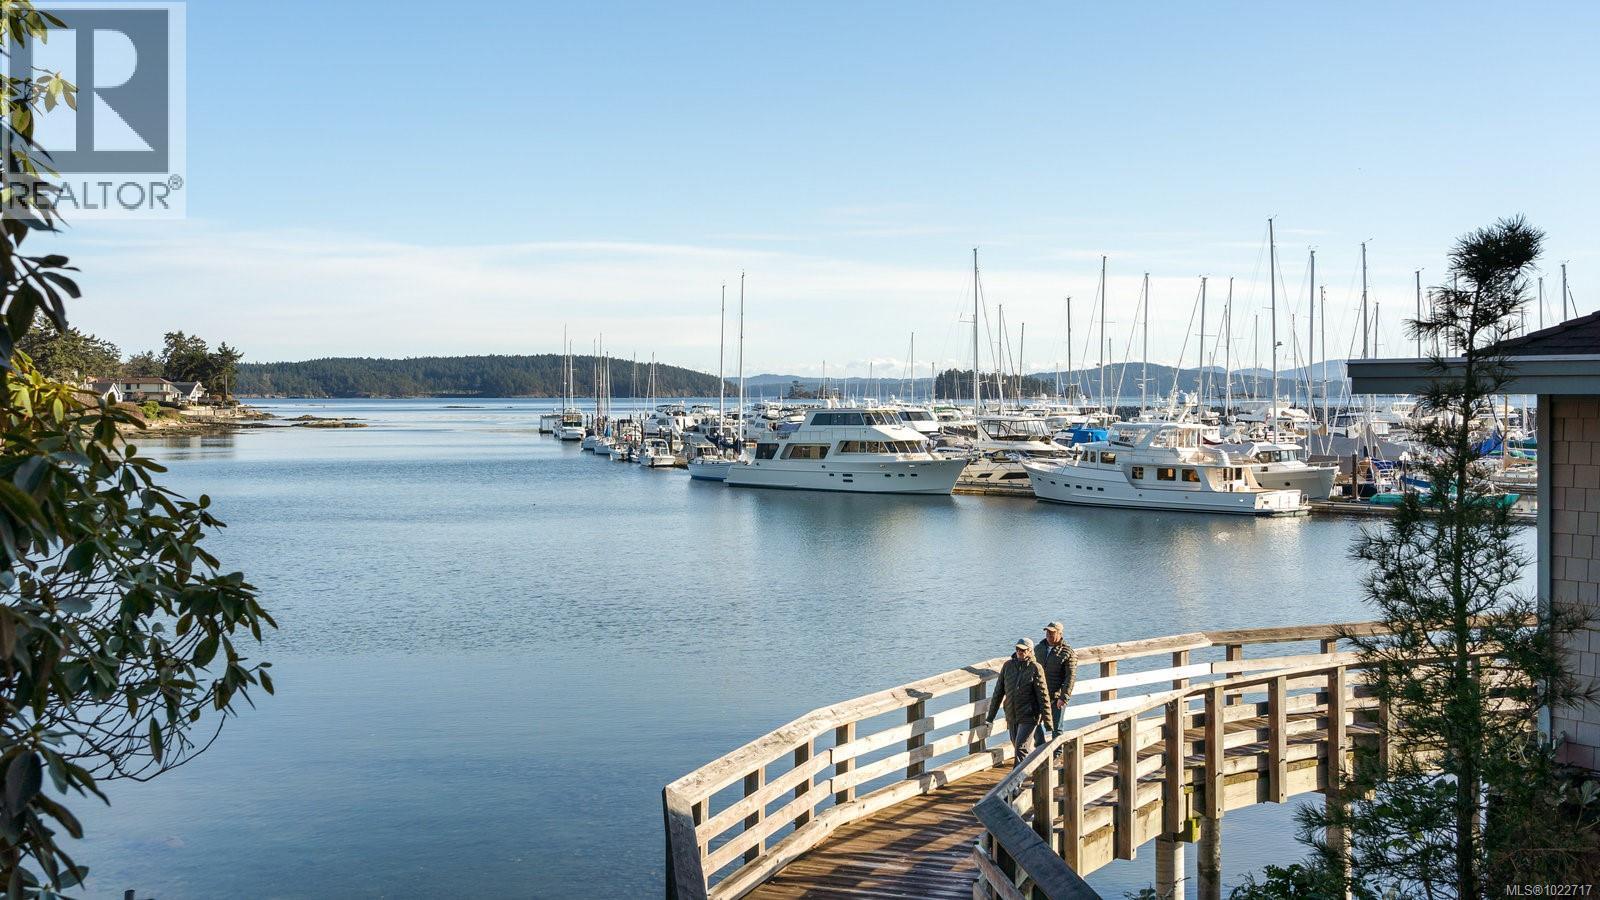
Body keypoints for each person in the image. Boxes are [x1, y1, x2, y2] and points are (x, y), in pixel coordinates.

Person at [984, 638, 1054, 766]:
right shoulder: (1008, 666)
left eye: (1022, 650)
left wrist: (1048, 723)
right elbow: (998, 692)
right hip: (1012, 715)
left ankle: (1014, 784)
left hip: (1029, 716)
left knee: (1021, 748)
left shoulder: (1035, 668)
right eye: (1017, 649)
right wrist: (990, 716)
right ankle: (1038, 769)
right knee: (1017, 745)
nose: (1019, 652)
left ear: (1030, 651)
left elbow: (1043, 696)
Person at [1035, 621, 1078, 743]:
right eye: (1047, 632)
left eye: (1052, 632)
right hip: (1039, 694)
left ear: (1060, 633)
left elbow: (1070, 677)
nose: (1048, 635)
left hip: (1056, 696)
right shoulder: (1038, 649)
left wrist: (1064, 697)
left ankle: (1057, 754)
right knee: (1034, 722)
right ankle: (1041, 749)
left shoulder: (1067, 652)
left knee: (1057, 728)